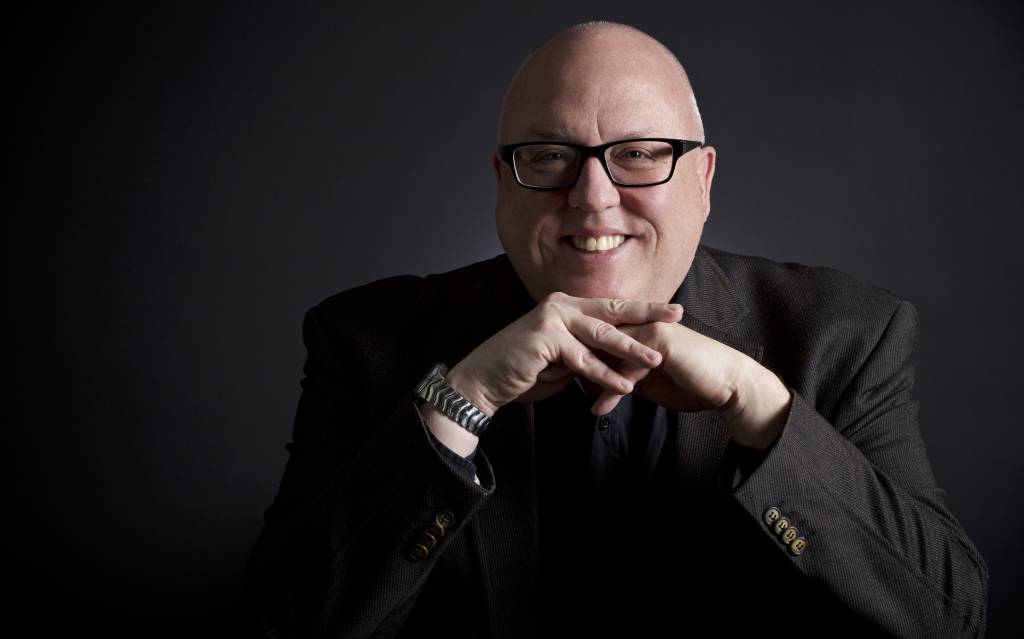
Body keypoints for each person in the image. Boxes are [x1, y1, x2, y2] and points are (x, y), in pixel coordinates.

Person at [239, 20, 988, 638]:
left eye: (637, 155)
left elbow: (949, 618)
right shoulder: (364, 341)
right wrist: (457, 405)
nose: (593, 197)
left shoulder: (845, 333)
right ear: (502, 183)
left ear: (703, 180)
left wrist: (760, 404)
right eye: (549, 157)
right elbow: (280, 622)